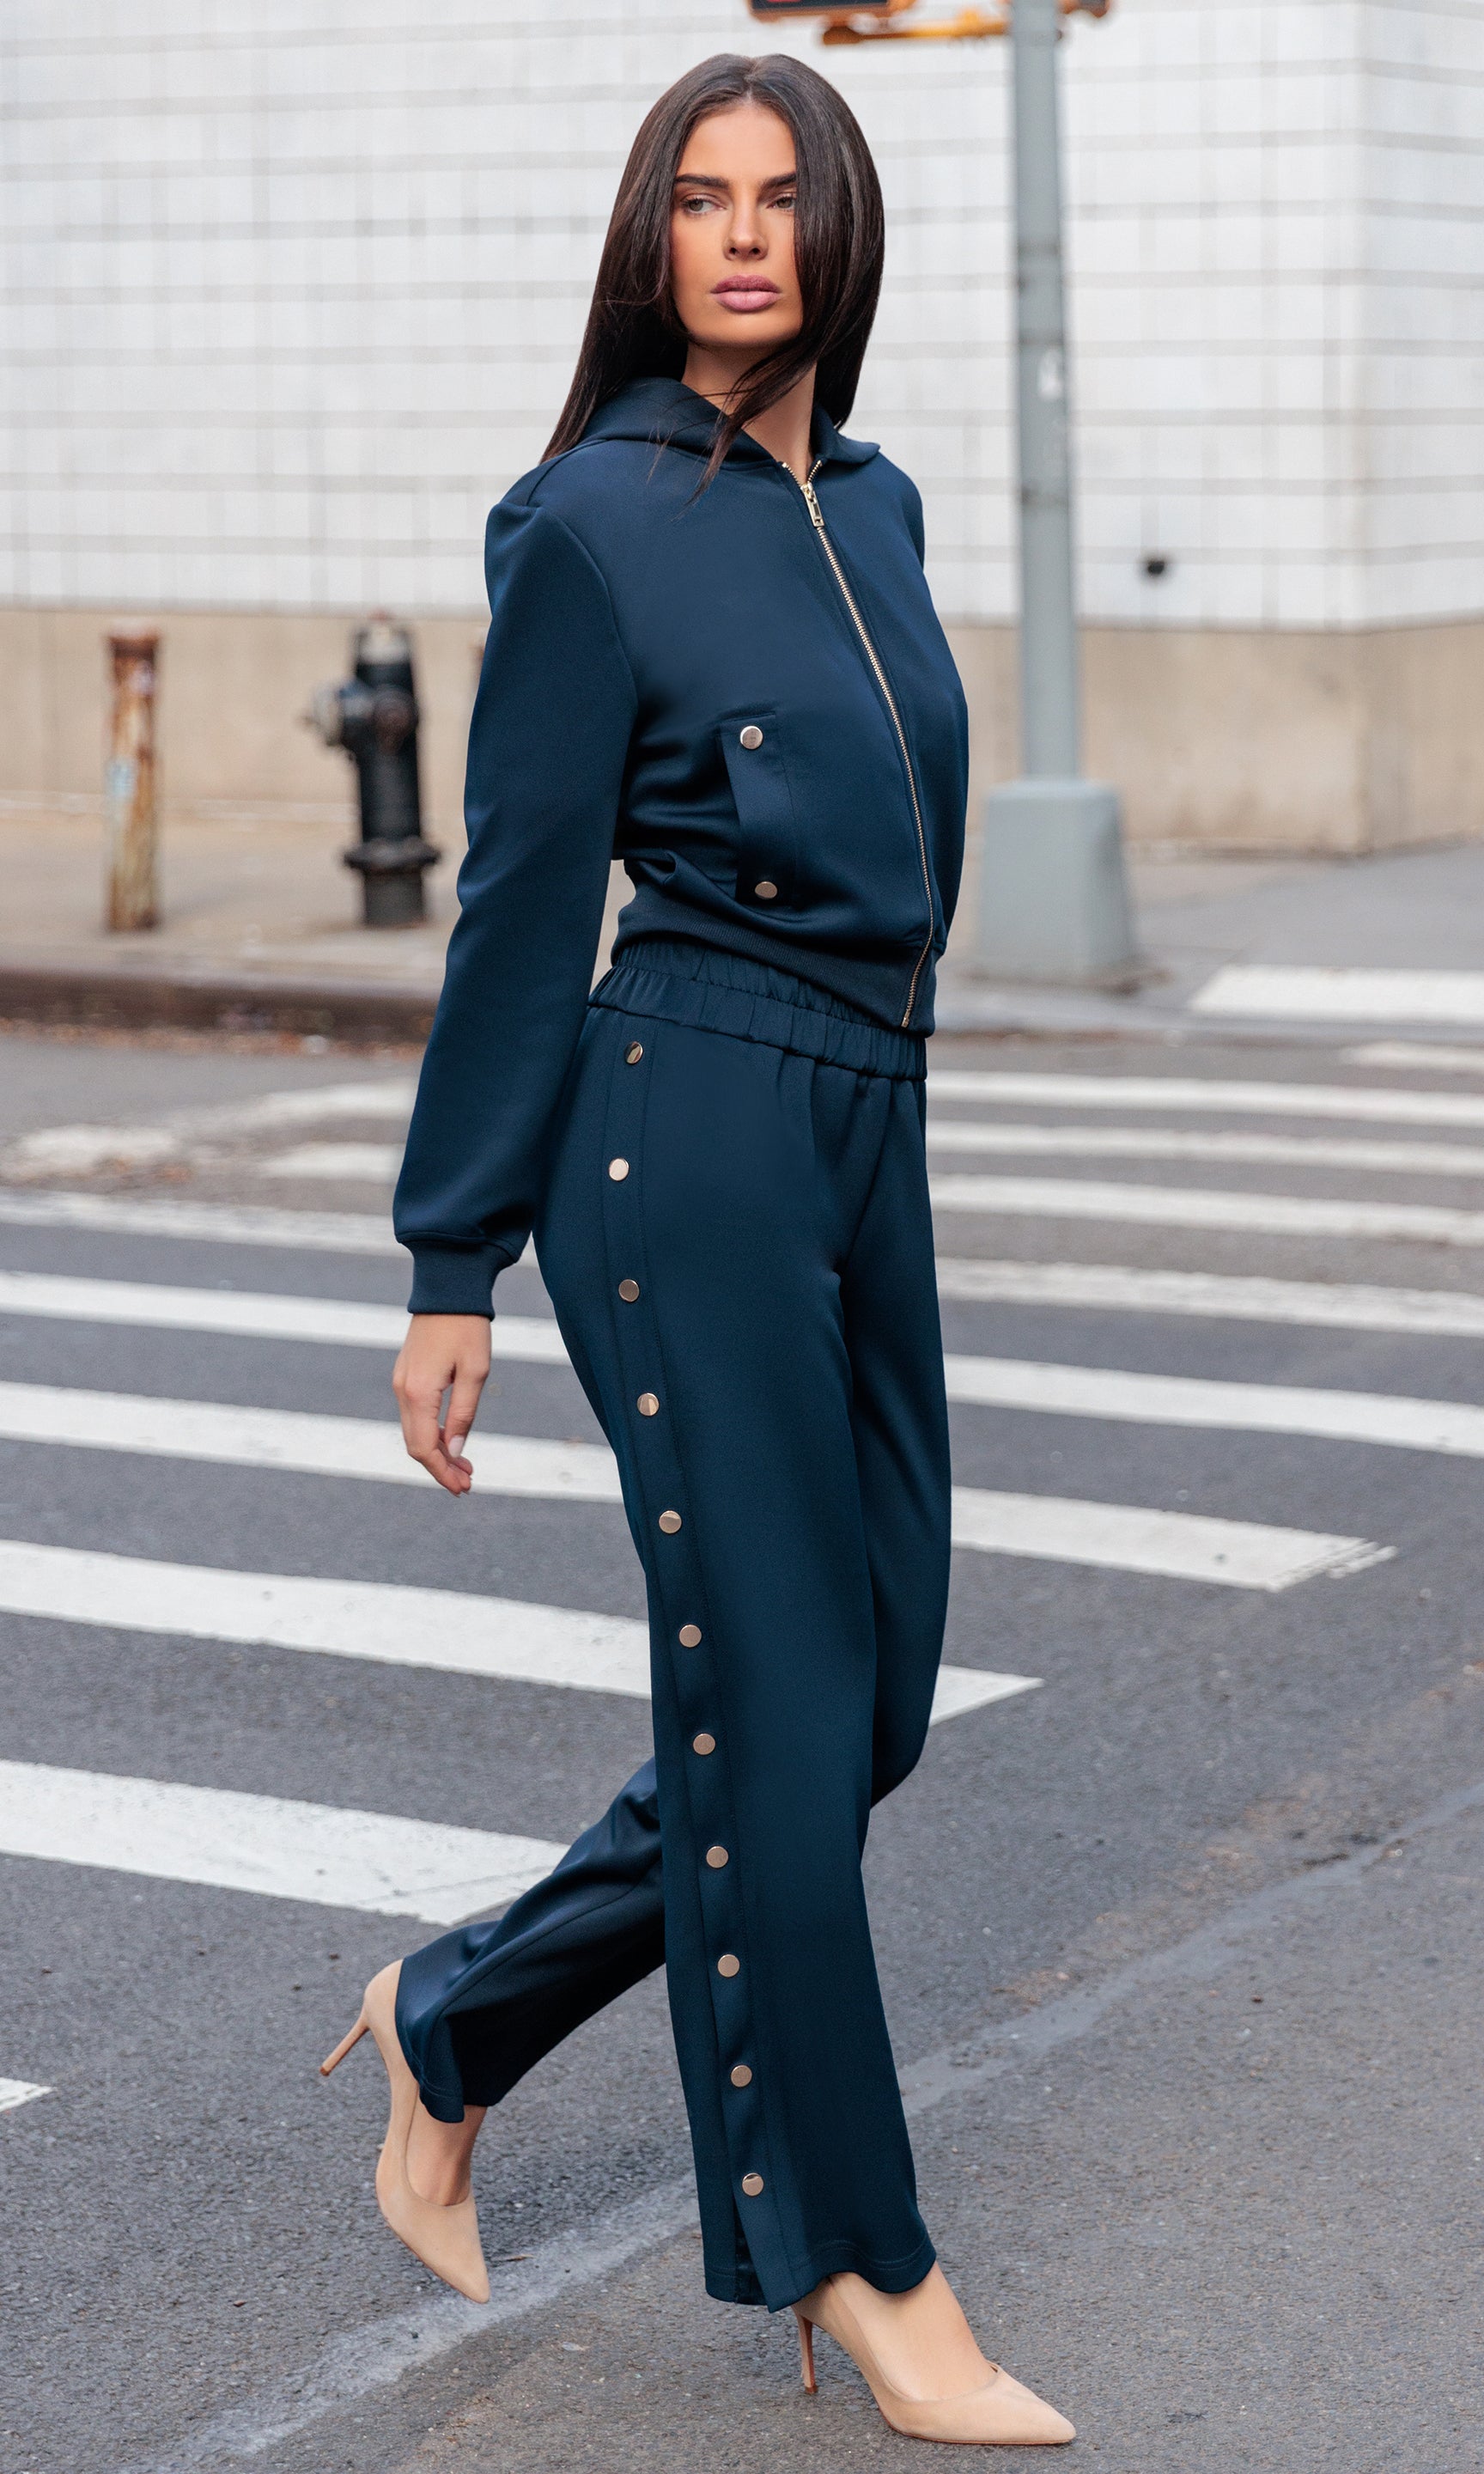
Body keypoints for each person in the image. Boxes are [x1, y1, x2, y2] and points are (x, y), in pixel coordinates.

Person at [320, 50, 1074, 2447]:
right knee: (777, 1698)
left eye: (779, 200)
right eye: (697, 201)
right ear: (652, 242)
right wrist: (457, 1257)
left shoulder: (879, 504)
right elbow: (523, 897)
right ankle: (860, 2261)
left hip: (873, 1115)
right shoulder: (587, 520)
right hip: (690, 1125)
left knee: (850, 1709)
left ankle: (459, 2017)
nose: (740, 236)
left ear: (839, 235)